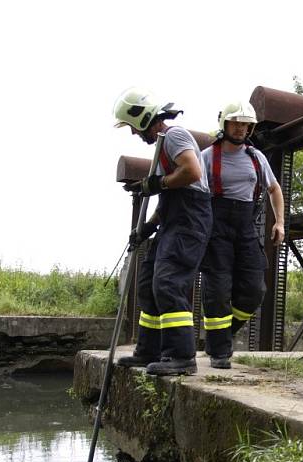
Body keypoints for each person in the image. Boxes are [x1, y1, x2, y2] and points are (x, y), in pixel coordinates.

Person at [112, 87, 212, 375]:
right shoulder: (160, 148)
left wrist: (158, 184)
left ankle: (181, 357)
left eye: (132, 127)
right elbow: (167, 201)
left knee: (168, 282)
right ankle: (148, 350)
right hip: (173, 221)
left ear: (141, 117)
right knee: (148, 284)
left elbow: (191, 172)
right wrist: (147, 228)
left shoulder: (175, 136)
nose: (133, 134)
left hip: (190, 221)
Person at [200, 99, 285, 368]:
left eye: (246, 125)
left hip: (245, 226)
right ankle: (219, 352)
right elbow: (192, 193)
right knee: (218, 289)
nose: (240, 129)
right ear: (225, 124)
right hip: (216, 228)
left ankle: (222, 336)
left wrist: (279, 222)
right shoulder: (207, 156)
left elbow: (274, 190)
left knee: (253, 288)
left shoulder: (256, 157)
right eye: (236, 123)